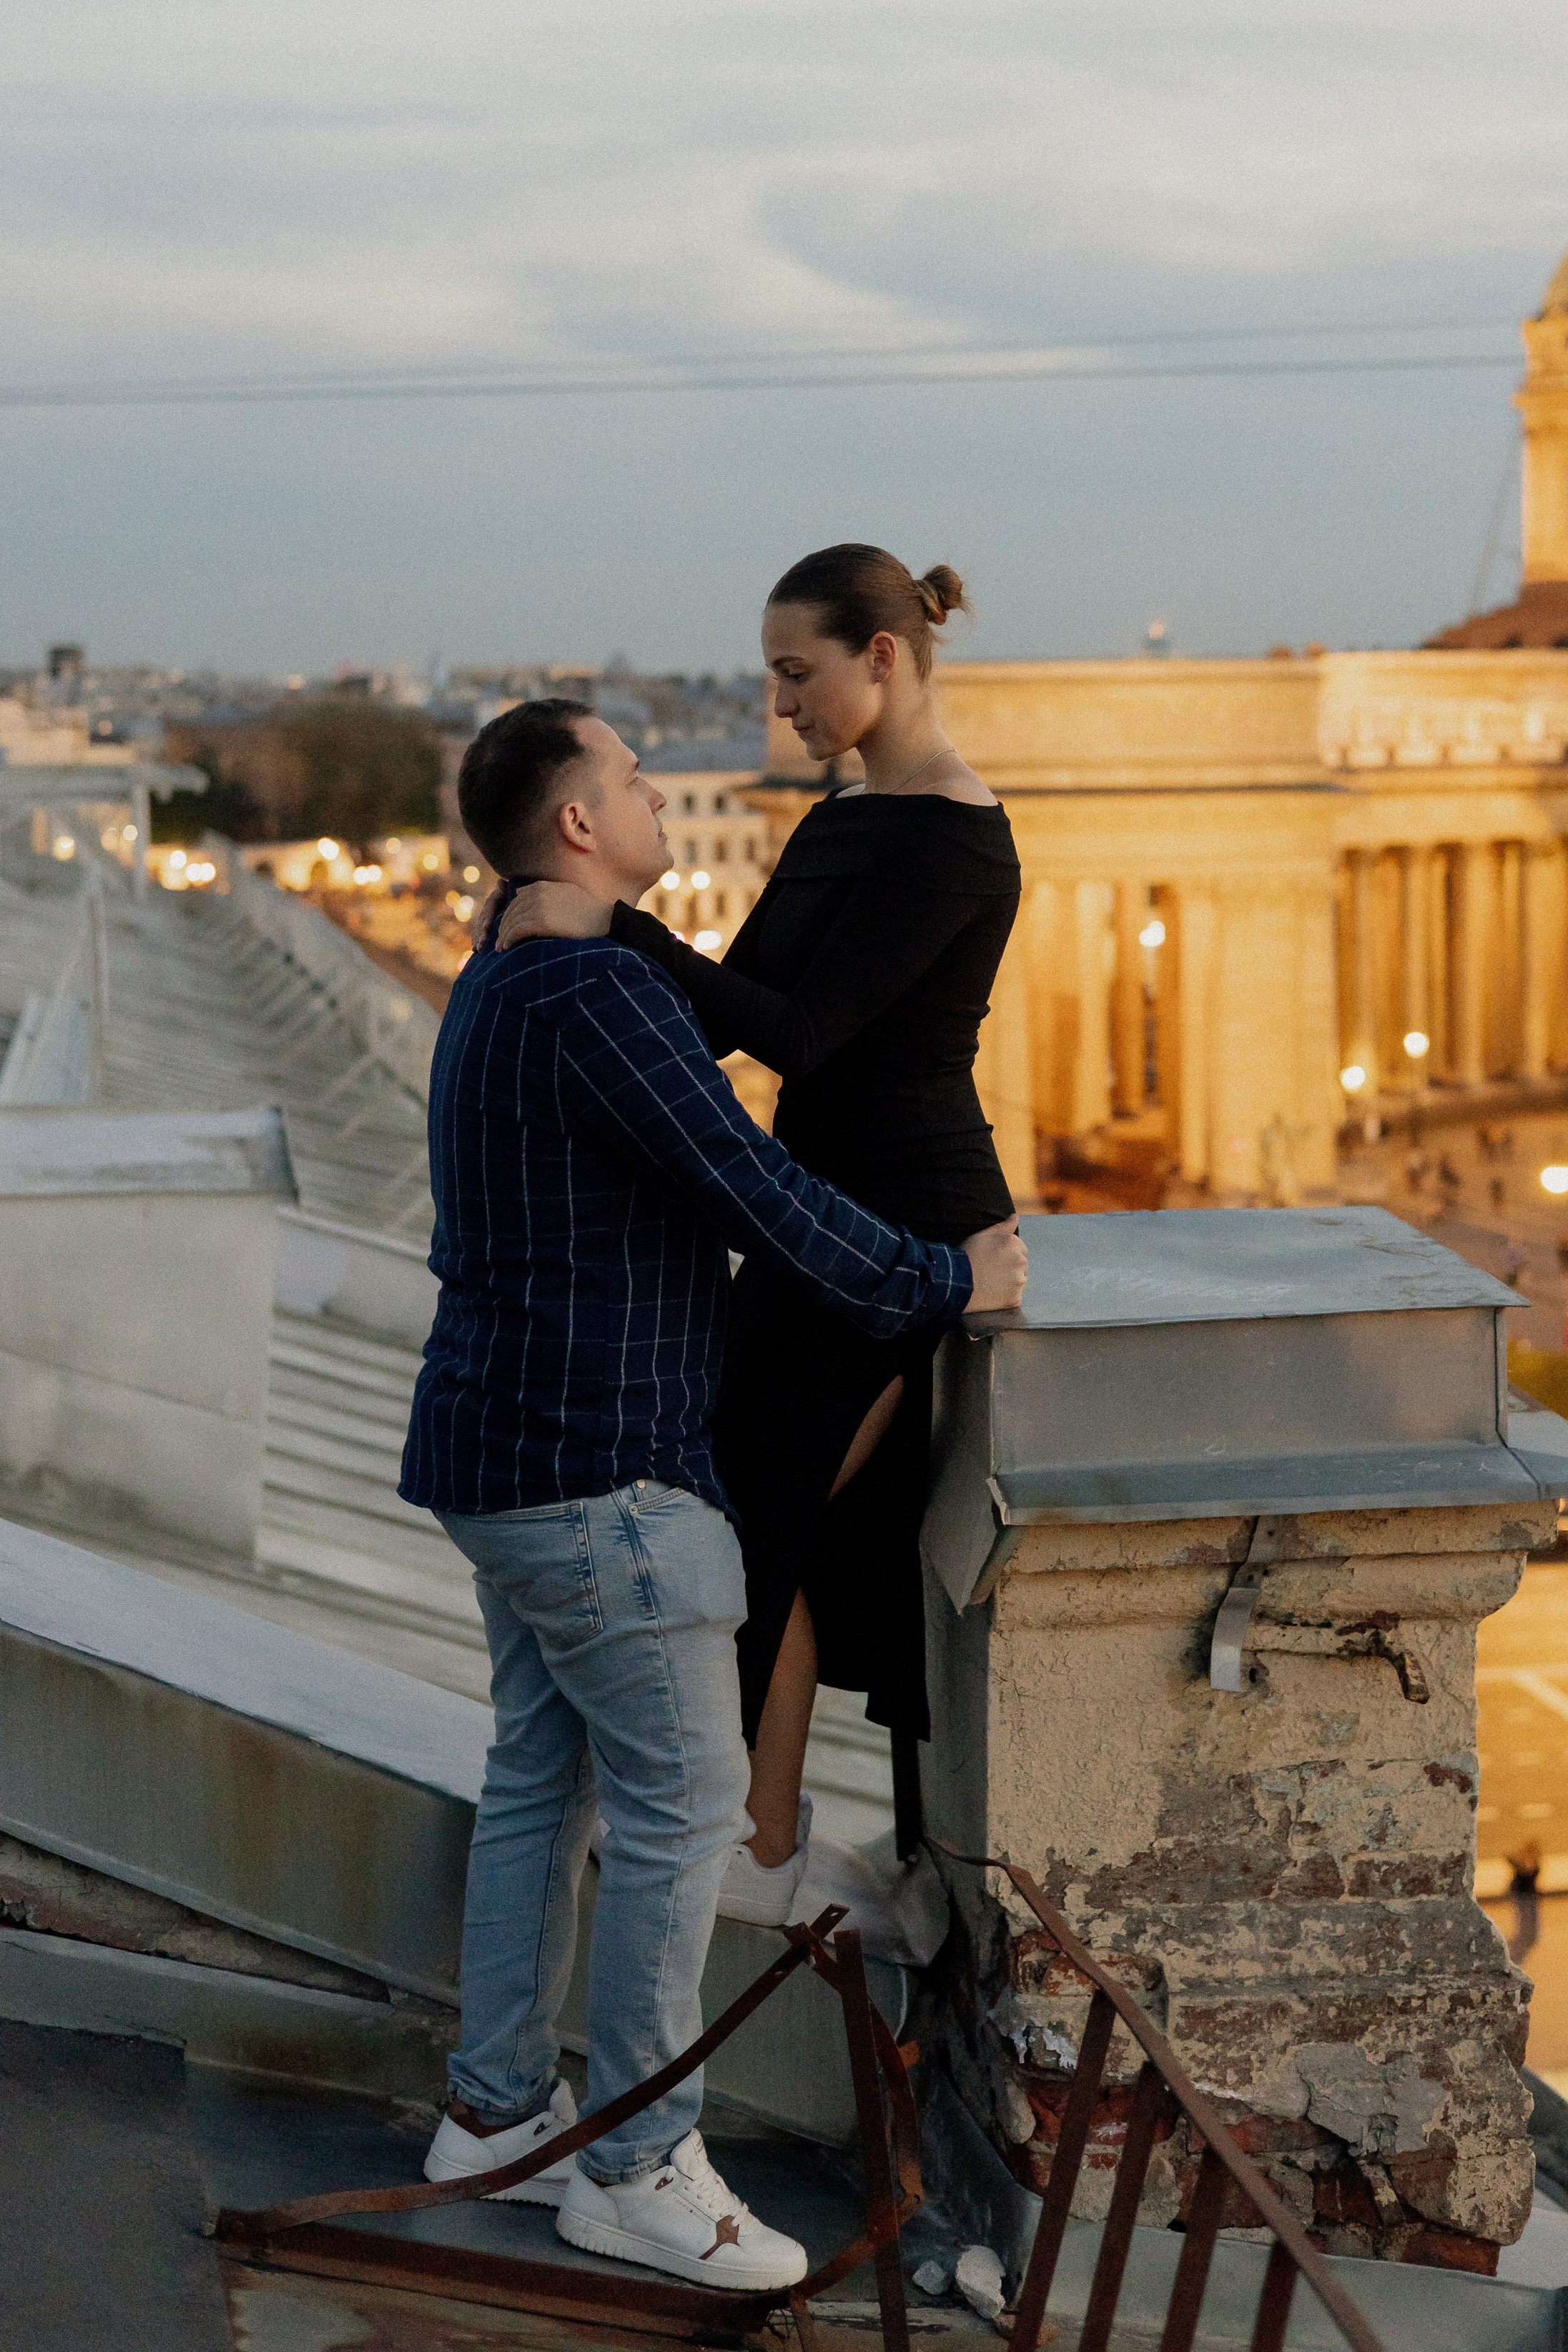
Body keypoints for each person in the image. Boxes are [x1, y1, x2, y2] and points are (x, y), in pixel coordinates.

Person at [400, 698, 1027, 2282]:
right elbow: (746, 1183)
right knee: (682, 1810)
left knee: (543, 1783)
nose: (653, 790)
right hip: (603, 1466)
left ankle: (488, 2117)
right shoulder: (598, 991)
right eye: (626, 778)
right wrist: (937, 1276)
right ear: (575, 829)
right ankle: (635, 2167)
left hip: (499, 1450)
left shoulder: (498, 976)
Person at [501, 546, 1020, 1956]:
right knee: (757, 1523)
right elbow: (727, 1017)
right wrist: (581, 990)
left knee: (748, 1516)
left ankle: (751, 1844)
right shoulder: (848, 817)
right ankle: (753, 1835)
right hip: (819, 1211)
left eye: (796, 673)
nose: (778, 701)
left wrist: (609, 926)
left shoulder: (953, 837)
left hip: (899, 1222)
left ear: (883, 660)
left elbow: (803, 1032)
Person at [1504, 1841, 1542, 1966]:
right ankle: (1511, 1957)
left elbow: (1527, 1871)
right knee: (1528, 1930)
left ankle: (1511, 1957)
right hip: (1524, 1897)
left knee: (1530, 1931)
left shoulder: (1532, 1863)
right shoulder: (1524, 1864)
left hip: (1527, 1898)